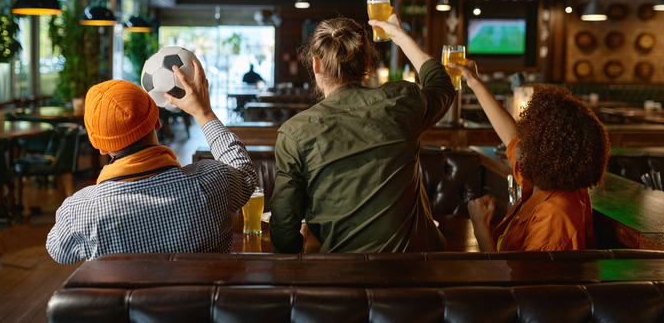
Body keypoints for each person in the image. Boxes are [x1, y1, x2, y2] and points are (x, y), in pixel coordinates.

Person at [270, 14, 455, 253]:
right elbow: (441, 84)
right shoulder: (401, 102)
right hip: (418, 273)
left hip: (342, 278)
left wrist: (302, 250)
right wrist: (399, 35)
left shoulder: (294, 132)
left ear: (315, 64)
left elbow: (283, 235)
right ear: (367, 61)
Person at [46, 58, 258, 264]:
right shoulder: (213, 181)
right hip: (205, 300)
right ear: (156, 121)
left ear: (100, 146)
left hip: (127, 301)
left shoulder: (80, 210)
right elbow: (245, 174)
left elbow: (59, 253)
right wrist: (204, 113)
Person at [450, 60, 610, 252]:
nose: (520, 139)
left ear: (547, 153)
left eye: (529, 136)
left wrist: (480, 229)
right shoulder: (541, 182)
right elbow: (510, 135)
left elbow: (518, 282)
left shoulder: (555, 216)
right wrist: (473, 81)